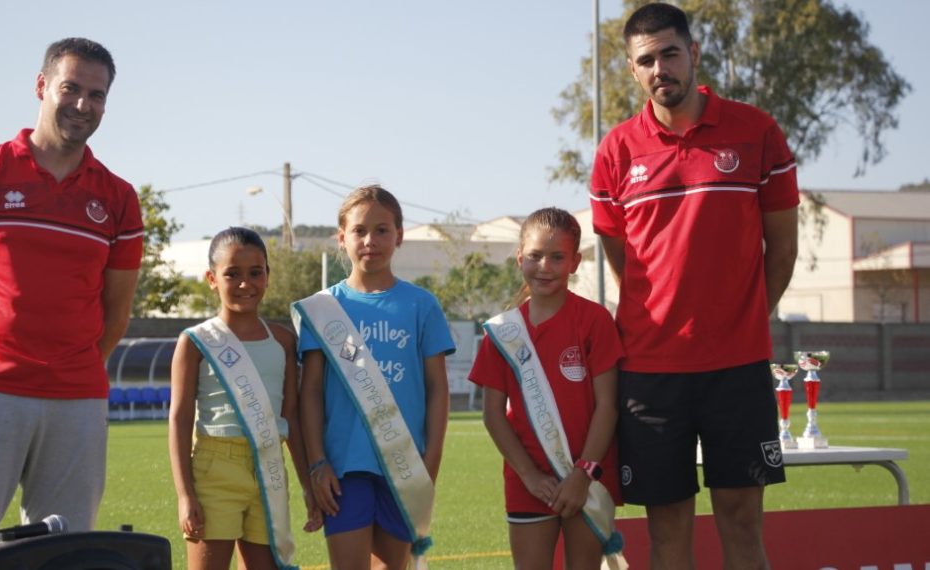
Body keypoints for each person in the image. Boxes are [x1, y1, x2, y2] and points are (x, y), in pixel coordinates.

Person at [0, 38, 143, 569]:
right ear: (42, 87)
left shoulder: (118, 198)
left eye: (97, 95)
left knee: (66, 557)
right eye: (71, 88)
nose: (83, 104)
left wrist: (71, 367)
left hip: (76, 401)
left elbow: (116, 313)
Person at [589, 3, 799, 568]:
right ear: (634, 71)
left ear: (694, 54)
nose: (661, 68)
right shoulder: (616, 151)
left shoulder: (756, 131)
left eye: (670, 53)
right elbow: (623, 260)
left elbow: (782, 249)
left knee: (740, 521)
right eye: (646, 60)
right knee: (668, 531)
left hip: (738, 365)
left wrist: (745, 315)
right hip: (652, 372)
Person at [292, 185, 455, 570]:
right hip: (344, 470)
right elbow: (310, 392)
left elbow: (438, 390)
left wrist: (429, 463)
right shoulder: (323, 309)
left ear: (399, 235)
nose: (370, 240)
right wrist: (317, 462)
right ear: (341, 238)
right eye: (359, 231)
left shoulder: (421, 305)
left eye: (382, 230)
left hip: (404, 466)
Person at [469, 207, 624, 569]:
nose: (545, 267)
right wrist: (529, 475)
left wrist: (583, 473)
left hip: (588, 478)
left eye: (557, 257)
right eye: (535, 256)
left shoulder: (594, 320)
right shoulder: (503, 332)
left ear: (575, 262)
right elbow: (493, 414)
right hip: (528, 482)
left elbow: (608, 405)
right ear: (520, 259)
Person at [169, 227, 320, 570]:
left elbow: (291, 418)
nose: (244, 284)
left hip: (269, 468)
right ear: (211, 278)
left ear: (268, 275)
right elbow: (179, 418)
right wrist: (185, 495)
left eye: (255, 273)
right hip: (214, 469)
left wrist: (308, 484)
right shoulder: (195, 342)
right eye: (231, 274)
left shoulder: (284, 341)